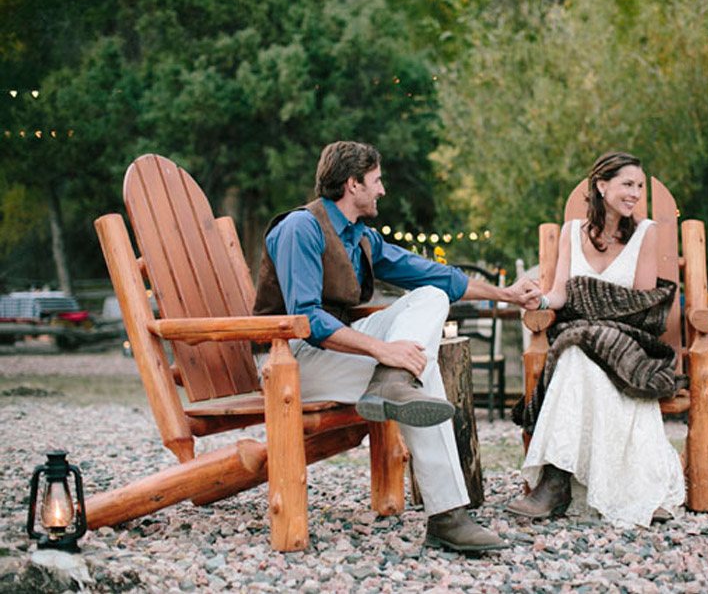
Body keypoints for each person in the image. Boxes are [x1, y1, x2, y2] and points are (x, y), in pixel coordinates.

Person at [253, 140, 542, 551]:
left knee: (431, 297)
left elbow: (439, 277)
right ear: (353, 184)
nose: (382, 190)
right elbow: (306, 320)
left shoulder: (361, 237)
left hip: (331, 353)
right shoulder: (300, 228)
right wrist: (382, 351)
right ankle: (447, 516)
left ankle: (393, 382)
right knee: (418, 367)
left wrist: (508, 295)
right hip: (289, 360)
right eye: (376, 181)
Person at [507, 151, 685, 527]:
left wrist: (589, 313)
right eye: (627, 184)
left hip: (628, 345)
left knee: (576, 347)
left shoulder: (646, 233)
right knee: (576, 352)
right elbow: (560, 294)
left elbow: (640, 304)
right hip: (582, 342)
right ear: (602, 186)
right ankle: (558, 481)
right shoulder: (572, 232)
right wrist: (537, 298)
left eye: (639, 186)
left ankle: (556, 485)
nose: (635, 193)